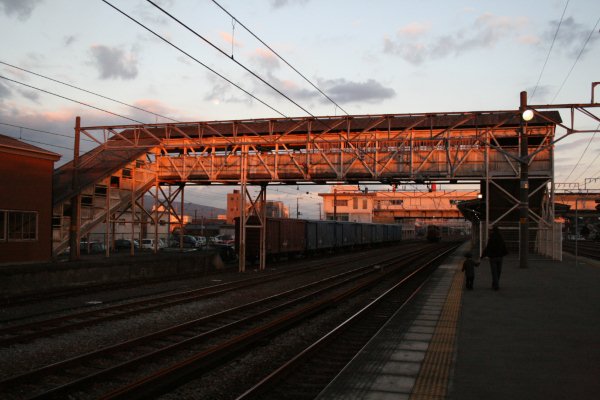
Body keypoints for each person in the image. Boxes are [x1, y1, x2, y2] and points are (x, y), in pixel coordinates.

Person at [481, 225, 508, 290]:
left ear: (493, 231)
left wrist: (482, 256)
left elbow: (488, 248)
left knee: (494, 272)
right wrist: (505, 253)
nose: (490, 231)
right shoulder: (501, 237)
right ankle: (495, 284)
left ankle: (496, 285)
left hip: (493, 258)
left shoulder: (491, 238)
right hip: (500, 257)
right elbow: (504, 246)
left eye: (491, 230)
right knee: (498, 272)